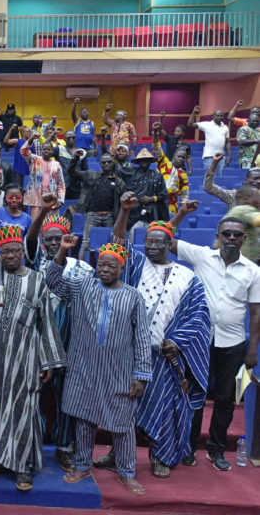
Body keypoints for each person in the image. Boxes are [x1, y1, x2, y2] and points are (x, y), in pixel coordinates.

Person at [0, 225, 65, 492]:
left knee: (22, 411)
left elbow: (46, 323)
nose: (9, 256)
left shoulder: (37, 279)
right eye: (4, 252)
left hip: (25, 359)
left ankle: (23, 466)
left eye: (15, 251)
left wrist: (47, 361)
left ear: (23, 252)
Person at [109, 200, 211, 477]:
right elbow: (117, 242)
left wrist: (177, 341)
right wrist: (125, 211)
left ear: (169, 244)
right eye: (148, 242)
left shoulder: (187, 277)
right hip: (130, 352)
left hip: (164, 356)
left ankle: (159, 456)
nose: (152, 246)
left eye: (158, 242)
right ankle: (116, 453)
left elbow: (198, 316)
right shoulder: (136, 265)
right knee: (123, 404)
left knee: (162, 406)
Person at [45, 237, 151, 495]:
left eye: (111, 267)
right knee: (84, 419)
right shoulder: (82, 286)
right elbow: (53, 281)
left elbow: (142, 338)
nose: (104, 270)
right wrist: (62, 251)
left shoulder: (133, 297)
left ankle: (126, 471)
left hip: (120, 371)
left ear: (121, 268)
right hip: (84, 367)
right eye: (101, 265)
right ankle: (82, 464)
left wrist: (140, 375)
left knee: (123, 424)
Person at [171, 214, 260, 471]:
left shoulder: (254, 272)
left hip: (232, 344)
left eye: (237, 234)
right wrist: (181, 214)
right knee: (194, 395)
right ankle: (187, 446)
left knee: (224, 399)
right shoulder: (201, 256)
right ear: (218, 236)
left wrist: (252, 350)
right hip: (198, 341)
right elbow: (165, 238)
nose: (231, 238)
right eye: (226, 233)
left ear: (244, 239)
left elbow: (256, 314)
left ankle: (216, 449)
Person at [23, 197, 93, 471]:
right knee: (34, 397)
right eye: (49, 239)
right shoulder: (33, 266)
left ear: (69, 239)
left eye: (59, 238)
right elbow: (29, 240)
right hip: (37, 344)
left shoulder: (83, 269)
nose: (54, 243)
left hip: (69, 345)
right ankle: (32, 443)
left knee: (66, 399)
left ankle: (65, 447)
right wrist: (40, 214)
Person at [70, 150, 125, 259]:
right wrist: (75, 158)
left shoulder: (118, 181)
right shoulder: (91, 175)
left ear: (112, 163)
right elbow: (72, 172)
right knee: (85, 243)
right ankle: (81, 267)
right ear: (100, 164)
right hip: (92, 215)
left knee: (110, 244)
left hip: (109, 216)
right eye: (103, 162)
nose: (106, 164)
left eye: (109, 162)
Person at [117, 148, 168, 236]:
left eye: (147, 159)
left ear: (150, 161)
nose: (144, 161)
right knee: (133, 238)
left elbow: (163, 195)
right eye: (142, 159)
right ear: (138, 161)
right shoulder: (131, 173)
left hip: (152, 215)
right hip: (134, 215)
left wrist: (151, 199)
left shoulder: (157, 176)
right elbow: (118, 171)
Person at [151, 124, 189, 215]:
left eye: (183, 157)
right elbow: (156, 148)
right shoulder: (164, 163)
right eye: (179, 156)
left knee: (168, 227)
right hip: (155, 202)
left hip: (171, 205)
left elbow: (184, 193)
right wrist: (156, 134)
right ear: (174, 156)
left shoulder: (183, 174)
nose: (181, 159)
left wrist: (183, 210)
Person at [21, 135, 65, 211]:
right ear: (41, 150)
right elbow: (23, 151)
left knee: (50, 222)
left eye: (49, 149)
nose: (46, 151)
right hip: (35, 200)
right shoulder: (34, 159)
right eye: (44, 149)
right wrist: (31, 138)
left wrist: (60, 200)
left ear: (52, 151)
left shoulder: (57, 165)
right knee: (36, 222)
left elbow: (61, 184)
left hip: (51, 200)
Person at [187, 106, 231, 176]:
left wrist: (229, 155)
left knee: (219, 177)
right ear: (213, 116)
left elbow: (227, 142)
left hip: (221, 157)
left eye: (221, 116)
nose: (219, 117)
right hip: (209, 156)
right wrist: (194, 112)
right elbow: (190, 125)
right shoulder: (207, 124)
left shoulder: (225, 127)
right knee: (209, 177)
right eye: (217, 116)